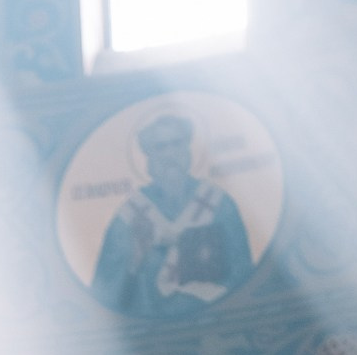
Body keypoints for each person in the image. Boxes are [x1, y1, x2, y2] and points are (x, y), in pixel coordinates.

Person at [88, 113, 253, 315]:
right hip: (152, 325)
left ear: (187, 149)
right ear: (148, 155)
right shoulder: (130, 214)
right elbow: (107, 290)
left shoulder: (219, 204)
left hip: (214, 316)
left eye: (177, 144)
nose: (170, 155)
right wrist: (136, 258)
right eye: (160, 147)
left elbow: (242, 270)